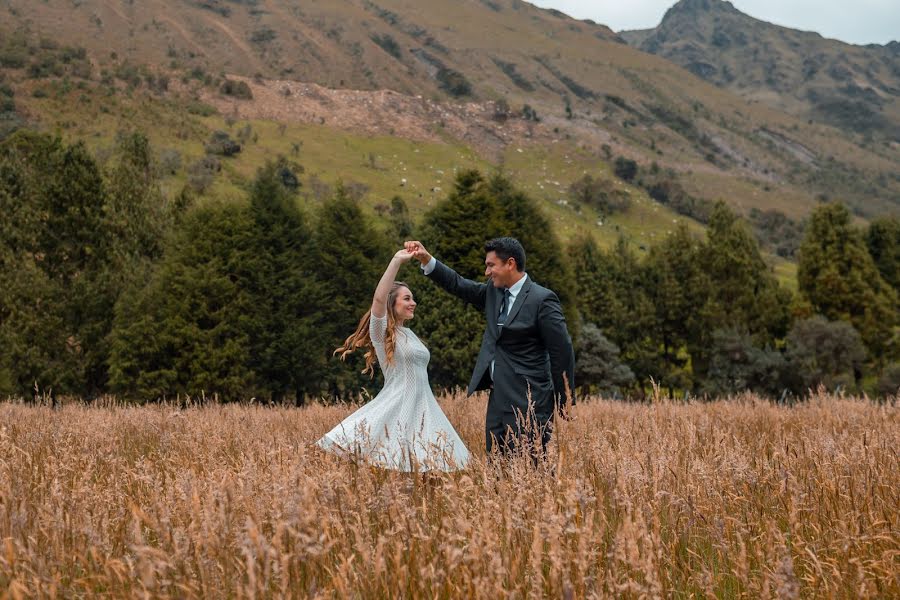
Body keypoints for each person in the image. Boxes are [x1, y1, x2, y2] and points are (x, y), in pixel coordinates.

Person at [405, 237, 575, 458]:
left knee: (532, 471)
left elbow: (562, 351)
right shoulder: (493, 293)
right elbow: (459, 284)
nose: (487, 272)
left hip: (531, 402)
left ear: (510, 264)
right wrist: (428, 261)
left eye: (491, 265)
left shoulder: (542, 300)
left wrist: (564, 400)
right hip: (498, 400)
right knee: (496, 467)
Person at [317, 249, 470, 472]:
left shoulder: (410, 334)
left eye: (413, 298)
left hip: (425, 408)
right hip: (398, 406)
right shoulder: (381, 334)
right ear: (392, 303)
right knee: (399, 468)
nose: (413, 303)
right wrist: (397, 260)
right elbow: (378, 298)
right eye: (407, 298)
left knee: (431, 471)